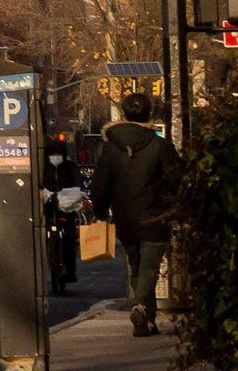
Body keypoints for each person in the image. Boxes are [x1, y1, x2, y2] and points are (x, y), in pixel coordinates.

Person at [93, 92, 178, 337]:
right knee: (149, 268)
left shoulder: (109, 149)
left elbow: (101, 185)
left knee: (136, 265)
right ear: (150, 114)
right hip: (155, 216)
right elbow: (176, 180)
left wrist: (100, 212)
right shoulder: (160, 145)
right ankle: (140, 306)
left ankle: (146, 321)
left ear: (124, 113)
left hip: (125, 217)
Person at [41, 132, 85, 295]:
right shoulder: (43, 168)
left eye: (58, 154)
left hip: (65, 209)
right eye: (53, 154)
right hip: (48, 208)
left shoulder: (70, 167)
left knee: (69, 238)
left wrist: (71, 195)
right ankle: (52, 264)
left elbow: (78, 183)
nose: (55, 157)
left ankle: (70, 270)